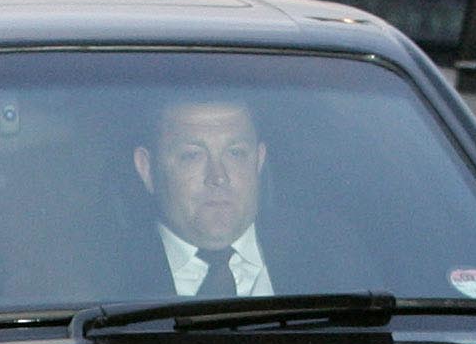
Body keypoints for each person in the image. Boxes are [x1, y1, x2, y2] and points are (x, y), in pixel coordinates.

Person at [123, 98, 370, 296]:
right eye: (192, 156)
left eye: (236, 153)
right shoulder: (100, 274)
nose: (218, 177)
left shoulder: (332, 254)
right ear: (146, 168)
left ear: (259, 161)